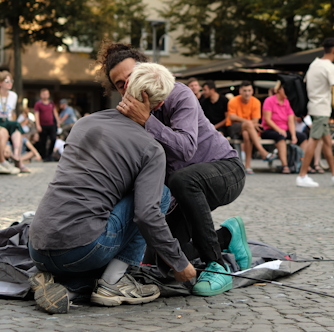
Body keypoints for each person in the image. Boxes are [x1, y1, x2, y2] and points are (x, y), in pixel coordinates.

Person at [28, 64, 197, 314]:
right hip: (82, 250)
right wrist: (178, 262)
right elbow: (146, 215)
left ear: (126, 89)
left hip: (37, 246)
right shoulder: (152, 148)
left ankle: (62, 284)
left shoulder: (84, 123)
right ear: (159, 106)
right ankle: (113, 282)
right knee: (158, 194)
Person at [107, 43, 251, 298]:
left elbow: (185, 149)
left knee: (182, 179)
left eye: (130, 76)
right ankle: (228, 236)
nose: (127, 86)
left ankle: (216, 266)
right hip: (183, 192)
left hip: (226, 170)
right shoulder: (128, 115)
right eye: (120, 84)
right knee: (163, 260)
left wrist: (147, 121)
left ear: (146, 69)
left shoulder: (178, 94)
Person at [296, 38, 334, 188]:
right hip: (321, 109)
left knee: (327, 143)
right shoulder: (329, 67)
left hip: (315, 107)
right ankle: (302, 176)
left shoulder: (314, 64)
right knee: (314, 141)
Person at [261, 79, 309, 174]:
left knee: (303, 137)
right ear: (279, 89)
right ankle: (285, 165)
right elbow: (267, 119)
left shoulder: (287, 102)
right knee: (280, 136)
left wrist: (293, 135)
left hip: (284, 129)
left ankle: (304, 164)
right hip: (269, 129)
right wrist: (278, 129)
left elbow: (291, 121)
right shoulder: (269, 100)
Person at [226, 81, 272, 171]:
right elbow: (232, 117)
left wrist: (248, 123)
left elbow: (255, 120)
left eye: (249, 90)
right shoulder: (233, 101)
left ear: (252, 91)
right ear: (240, 91)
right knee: (248, 125)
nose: (247, 93)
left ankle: (247, 166)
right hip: (233, 128)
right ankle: (262, 151)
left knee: (246, 134)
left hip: (248, 130)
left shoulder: (256, 102)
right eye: (244, 91)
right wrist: (249, 123)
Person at [0, 71, 27, 171]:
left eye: (11, 81)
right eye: (7, 81)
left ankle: (16, 155)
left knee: (16, 127)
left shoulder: (13, 95)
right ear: (0, 83)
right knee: (5, 130)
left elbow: (11, 113)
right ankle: (13, 162)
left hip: (7, 120)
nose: (10, 83)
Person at [34, 88, 60, 161]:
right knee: (43, 141)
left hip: (51, 125)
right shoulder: (38, 104)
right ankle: (44, 156)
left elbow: (55, 112)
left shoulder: (51, 103)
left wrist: (57, 122)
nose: (45, 95)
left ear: (48, 95)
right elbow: (36, 115)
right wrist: (38, 125)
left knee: (53, 138)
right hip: (42, 125)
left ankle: (50, 154)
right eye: (44, 94)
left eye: (46, 94)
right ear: (41, 95)